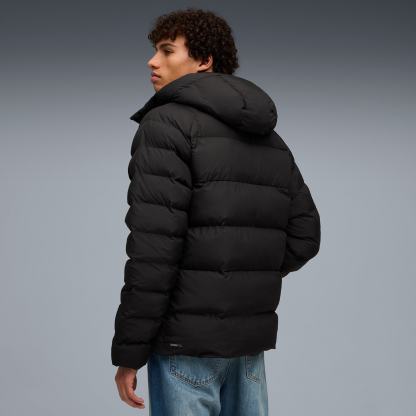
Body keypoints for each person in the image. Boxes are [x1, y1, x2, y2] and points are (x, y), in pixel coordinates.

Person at [111, 7, 321, 415]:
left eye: (167, 50)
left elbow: (153, 251)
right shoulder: (267, 136)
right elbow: (305, 235)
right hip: (247, 350)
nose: (152, 61)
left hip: (184, 345)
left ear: (204, 60)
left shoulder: (165, 124)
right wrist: (240, 278)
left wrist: (129, 353)